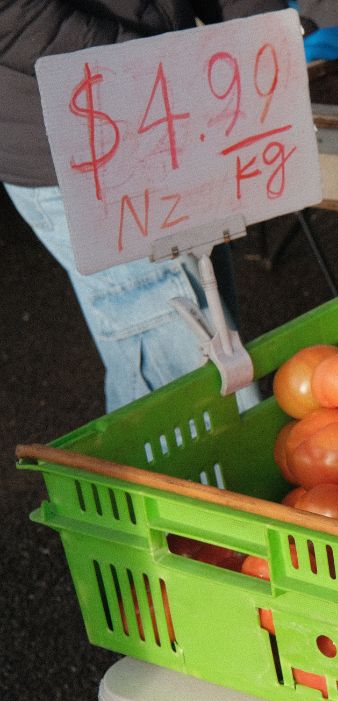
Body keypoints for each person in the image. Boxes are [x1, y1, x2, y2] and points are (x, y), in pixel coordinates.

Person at [0, 0, 281, 412]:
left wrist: (266, 32)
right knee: (190, 365)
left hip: (171, 108)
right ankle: (165, 473)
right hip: (78, 145)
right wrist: (142, 63)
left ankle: (166, 470)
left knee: (208, 329)